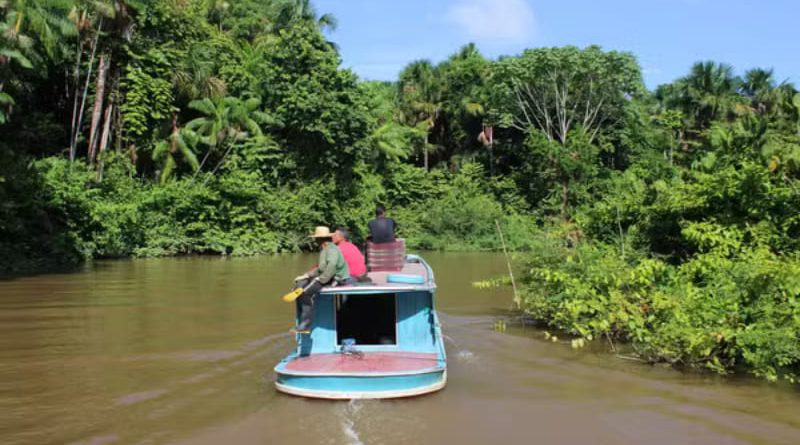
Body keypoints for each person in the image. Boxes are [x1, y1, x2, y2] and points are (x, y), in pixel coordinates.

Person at [292, 226, 350, 334]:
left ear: (319, 239)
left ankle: (305, 326)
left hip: (337, 278)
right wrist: (306, 275)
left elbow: (332, 266)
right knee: (301, 283)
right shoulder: (325, 248)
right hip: (329, 276)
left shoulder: (331, 249)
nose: (314, 240)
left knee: (305, 294)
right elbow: (321, 268)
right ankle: (298, 288)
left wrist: (321, 279)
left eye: (316, 238)